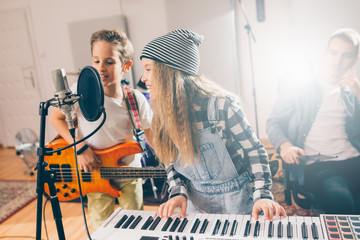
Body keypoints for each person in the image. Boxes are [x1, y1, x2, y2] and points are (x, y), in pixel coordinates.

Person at [140, 29, 286, 220]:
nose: (143, 78)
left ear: (168, 72)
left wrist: (262, 195)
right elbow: (170, 162)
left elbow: (255, 151)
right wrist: (177, 192)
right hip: (196, 204)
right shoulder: (162, 114)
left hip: (239, 201)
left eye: (149, 69)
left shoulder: (222, 107)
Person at [49, 29, 153, 229]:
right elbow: (56, 118)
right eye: (96, 61)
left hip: (129, 172)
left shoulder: (135, 99)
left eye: (109, 61)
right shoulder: (80, 91)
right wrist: (79, 148)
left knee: (136, 225)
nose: (101, 68)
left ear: (126, 65)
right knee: (100, 227)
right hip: (93, 171)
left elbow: (150, 135)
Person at [266, 28, 360, 214]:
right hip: (318, 164)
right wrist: (285, 146)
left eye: (346, 56)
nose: (338, 61)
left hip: (354, 159)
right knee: (342, 200)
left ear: (355, 60)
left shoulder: (354, 91)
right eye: (334, 53)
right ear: (326, 53)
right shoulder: (299, 85)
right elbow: (273, 122)